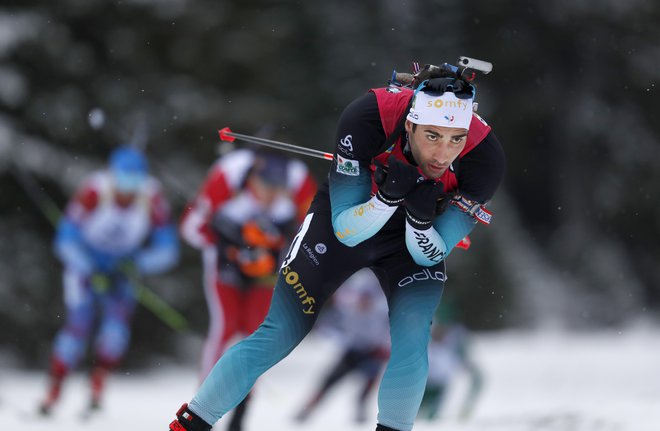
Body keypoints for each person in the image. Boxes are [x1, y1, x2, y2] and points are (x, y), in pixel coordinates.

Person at [168, 60, 506, 431]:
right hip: (348, 217)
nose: (443, 155)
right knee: (281, 332)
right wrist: (388, 199)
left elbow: (432, 252)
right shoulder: (369, 117)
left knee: (411, 344)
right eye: (431, 136)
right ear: (409, 124)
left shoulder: (484, 158)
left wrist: (420, 218)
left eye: (455, 139)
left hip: (413, 239)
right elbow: (347, 230)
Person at [179, 147, 317, 431]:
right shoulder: (229, 187)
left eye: (278, 188)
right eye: (266, 186)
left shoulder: (292, 195)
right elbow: (191, 227)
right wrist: (230, 246)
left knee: (257, 334)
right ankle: (201, 407)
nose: (270, 194)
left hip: (264, 278)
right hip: (225, 272)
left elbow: (311, 235)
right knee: (225, 328)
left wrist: (275, 248)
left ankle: (242, 409)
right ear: (253, 178)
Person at [39, 145, 179, 415]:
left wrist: (137, 262)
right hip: (86, 268)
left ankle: (96, 390)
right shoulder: (94, 191)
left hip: (122, 270)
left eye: (135, 180)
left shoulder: (152, 197)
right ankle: (53, 393)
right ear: (112, 174)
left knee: (115, 333)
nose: (128, 188)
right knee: (76, 330)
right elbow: (65, 239)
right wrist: (88, 266)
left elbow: (167, 249)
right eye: (123, 178)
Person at [294, 268, 390, 424]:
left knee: (368, 384)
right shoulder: (356, 286)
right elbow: (340, 299)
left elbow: (391, 319)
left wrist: (386, 346)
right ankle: (308, 409)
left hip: (374, 348)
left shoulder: (385, 293)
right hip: (353, 347)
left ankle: (361, 413)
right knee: (329, 380)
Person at [418, 319, 483, 421]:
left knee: (429, 416)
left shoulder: (455, 341)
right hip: (422, 384)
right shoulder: (424, 335)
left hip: (438, 386)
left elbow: (475, 375)